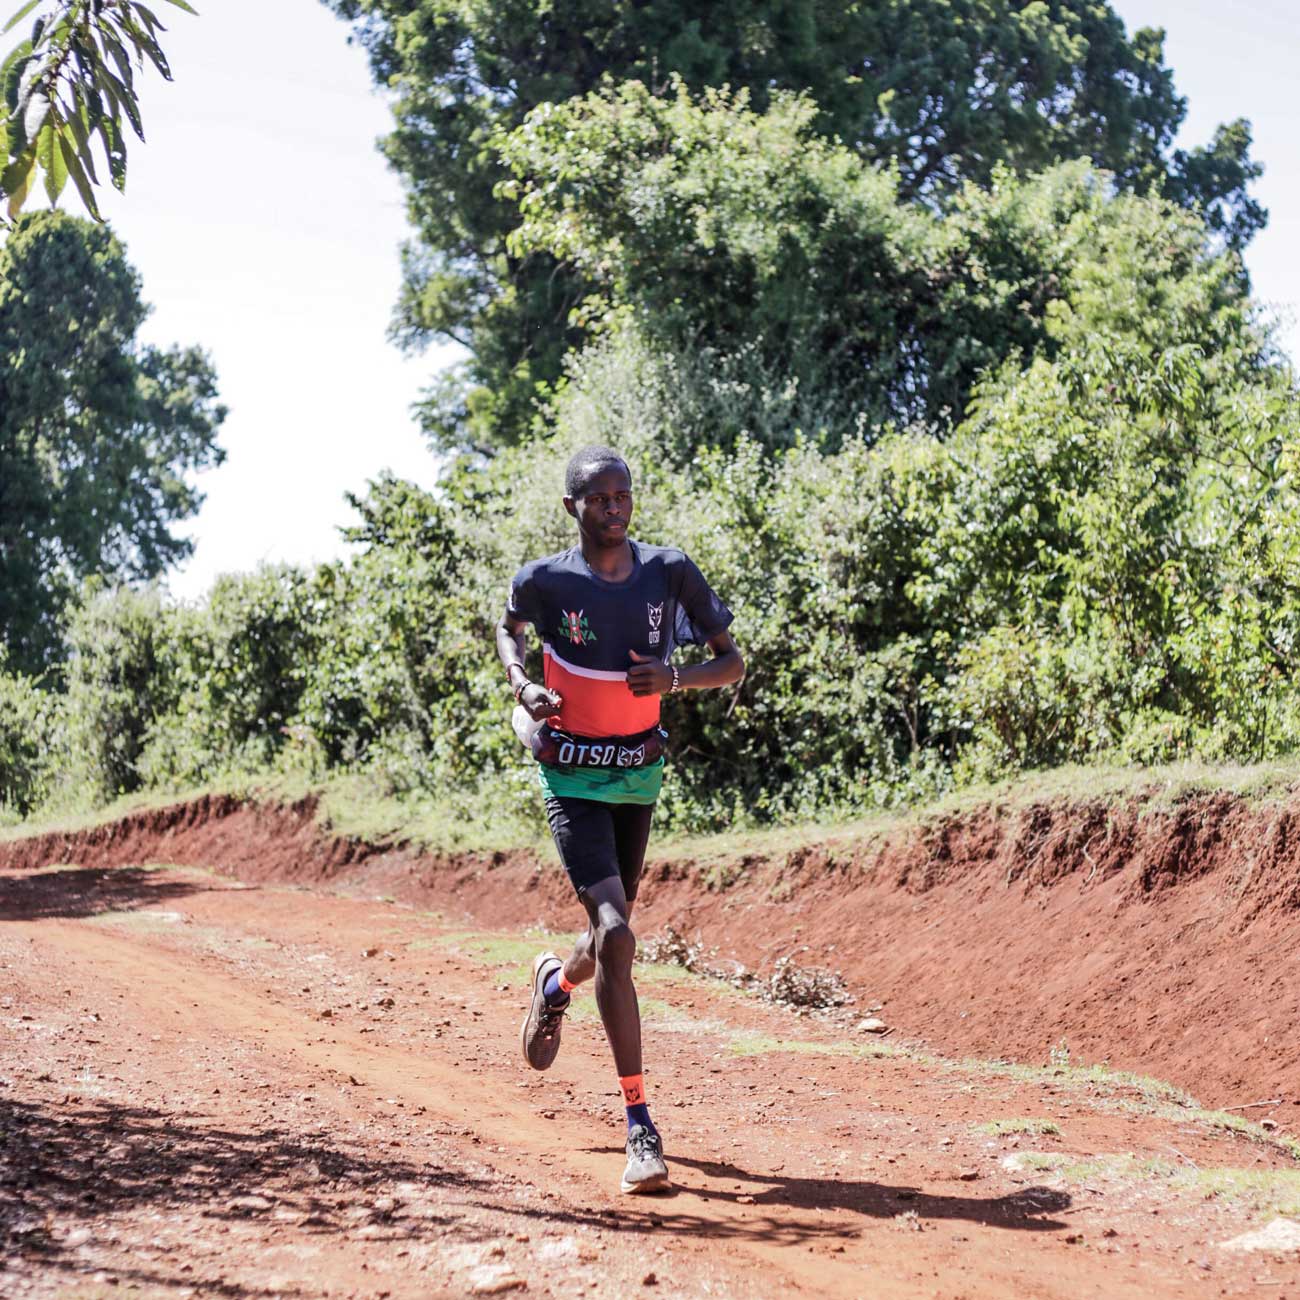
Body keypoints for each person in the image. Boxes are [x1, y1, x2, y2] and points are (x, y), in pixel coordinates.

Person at [496, 445, 744, 1194]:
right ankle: (641, 1125)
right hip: (569, 772)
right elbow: (509, 628)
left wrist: (676, 677)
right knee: (618, 932)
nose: (614, 508)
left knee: (611, 936)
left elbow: (731, 662)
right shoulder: (545, 581)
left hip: (638, 774)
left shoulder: (669, 573)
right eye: (599, 498)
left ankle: (554, 985)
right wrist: (523, 684)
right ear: (571, 507)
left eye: (622, 495)